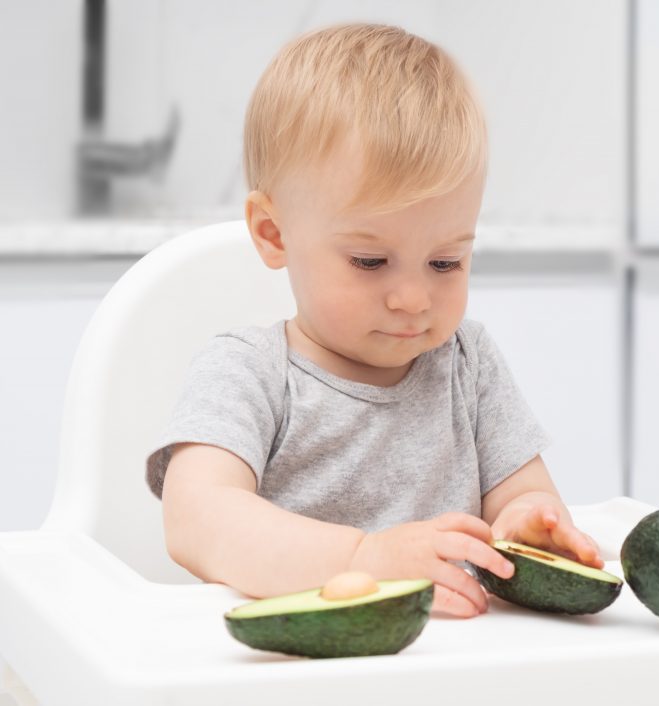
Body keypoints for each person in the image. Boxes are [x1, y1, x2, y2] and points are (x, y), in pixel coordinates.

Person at [145, 22, 602, 619]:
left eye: (446, 261)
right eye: (370, 261)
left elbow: (524, 493)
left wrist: (528, 526)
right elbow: (197, 520)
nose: (413, 298)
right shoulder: (249, 372)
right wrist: (362, 557)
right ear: (274, 233)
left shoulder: (467, 362)